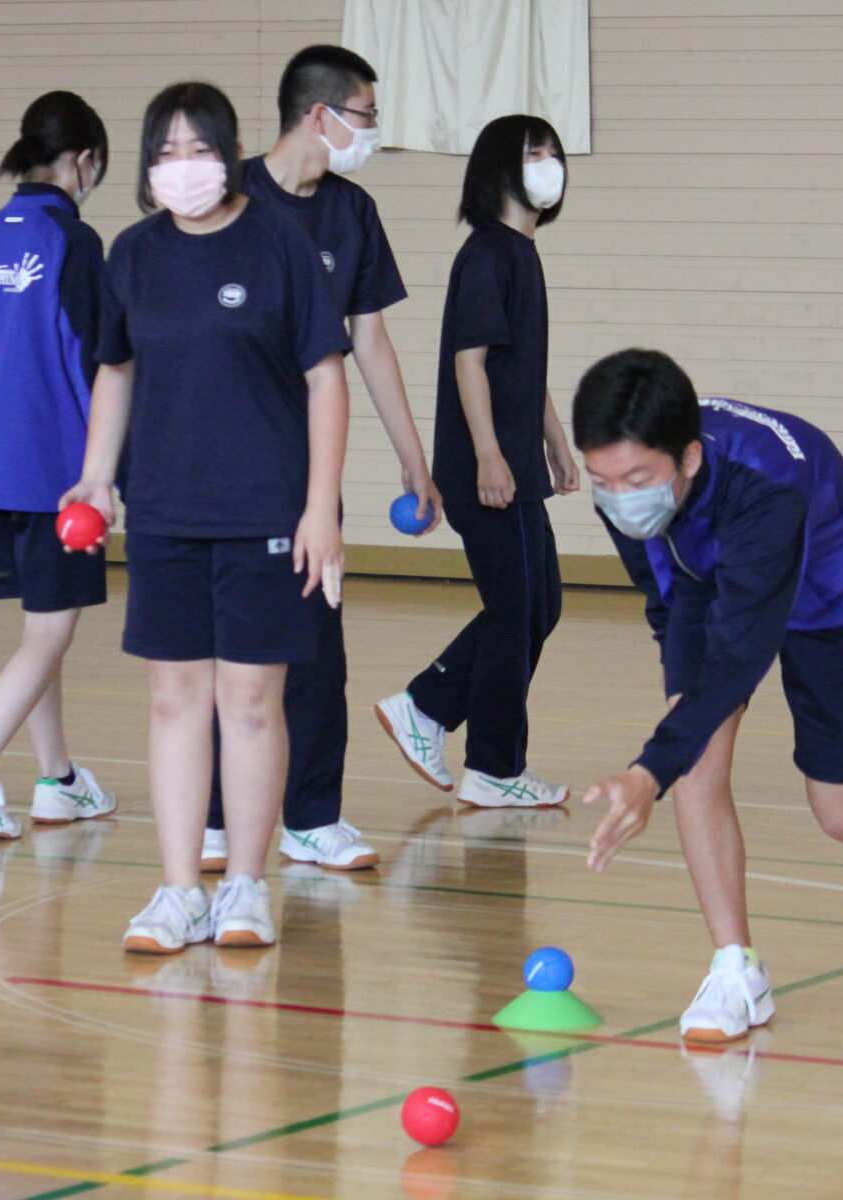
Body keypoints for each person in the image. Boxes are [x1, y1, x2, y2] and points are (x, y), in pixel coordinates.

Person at [572, 348, 843, 1043]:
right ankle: (734, 966)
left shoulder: (766, 489)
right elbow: (663, 589)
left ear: (687, 459)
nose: (619, 495)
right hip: (706, 581)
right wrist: (676, 716)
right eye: (603, 480)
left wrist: (644, 771)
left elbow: (741, 654)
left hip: (829, 583)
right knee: (694, 761)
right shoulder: (623, 483)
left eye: (635, 479)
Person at [61, 82, 351, 952]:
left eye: (198, 149)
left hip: (265, 507)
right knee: (174, 699)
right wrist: (94, 479)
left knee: (253, 701)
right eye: (166, 151)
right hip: (164, 510)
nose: (181, 166)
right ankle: (181, 889)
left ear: (229, 154)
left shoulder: (280, 246)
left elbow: (326, 377)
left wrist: (319, 508)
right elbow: (115, 370)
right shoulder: (135, 254)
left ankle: (247, 887)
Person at [200, 45, 440, 873]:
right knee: (223, 647)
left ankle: (311, 817)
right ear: (320, 115)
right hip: (219, 465)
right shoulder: (226, 196)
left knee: (314, 642)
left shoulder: (352, 214)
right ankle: (216, 820)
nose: (372, 133)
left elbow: (368, 339)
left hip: (307, 474)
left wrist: (414, 458)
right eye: (366, 116)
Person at [0, 91, 117, 839]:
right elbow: (97, 362)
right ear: (83, 161)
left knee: (44, 629)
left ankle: (58, 779)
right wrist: (106, 471)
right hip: (60, 475)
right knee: (49, 632)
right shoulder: (75, 240)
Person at [374, 115, 578, 809]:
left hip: (516, 468)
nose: (550, 163)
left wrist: (555, 439)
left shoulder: (521, 253)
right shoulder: (488, 254)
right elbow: (470, 363)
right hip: (486, 472)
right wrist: (490, 454)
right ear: (499, 167)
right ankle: (490, 762)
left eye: (554, 152)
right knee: (517, 608)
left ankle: (429, 707)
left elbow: (521, 367)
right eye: (534, 152)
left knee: (537, 603)